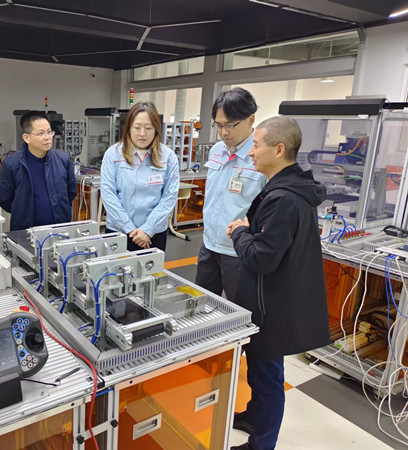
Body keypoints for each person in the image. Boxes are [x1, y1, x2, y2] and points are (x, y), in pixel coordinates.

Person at [226, 116, 330, 450]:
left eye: (256, 145)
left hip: (270, 308)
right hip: (271, 299)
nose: (251, 152)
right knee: (260, 372)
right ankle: (254, 417)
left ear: (279, 149)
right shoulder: (287, 189)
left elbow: (261, 258)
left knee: (268, 378)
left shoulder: (284, 199)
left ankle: (262, 444)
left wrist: (239, 233)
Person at [196, 88, 267, 302]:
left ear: (250, 119)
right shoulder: (217, 150)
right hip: (209, 244)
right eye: (219, 125)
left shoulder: (261, 156)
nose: (224, 132)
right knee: (202, 305)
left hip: (239, 251)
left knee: (240, 309)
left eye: (230, 125)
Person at [101, 102, 179, 252]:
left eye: (148, 128)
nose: (142, 133)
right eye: (137, 127)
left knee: (150, 268)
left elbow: (169, 196)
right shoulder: (113, 154)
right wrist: (130, 229)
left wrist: (147, 230)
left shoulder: (168, 157)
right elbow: (108, 194)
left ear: (156, 129)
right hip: (119, 231)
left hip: (153, 234)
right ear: (129, 128)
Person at [0, 110, 77, 231]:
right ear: (26, 138)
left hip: (59, 229)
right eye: (40, 133)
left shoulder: (63, 159)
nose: (47, 137)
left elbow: (71, 193)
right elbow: (5, 201)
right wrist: (22, 211)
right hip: (25, 231)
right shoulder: (11, 164)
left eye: (49, 132)